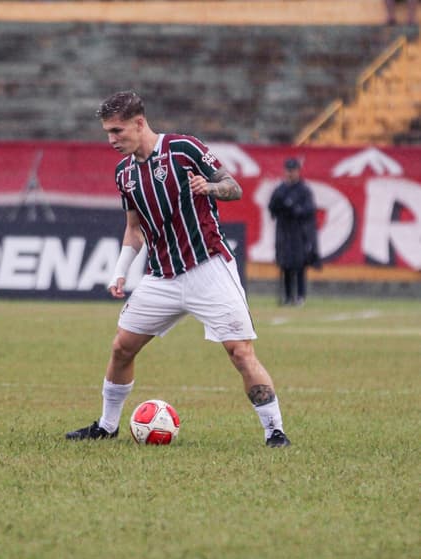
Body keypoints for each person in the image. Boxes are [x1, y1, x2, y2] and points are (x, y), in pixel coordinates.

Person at [65, 91, 291, 448]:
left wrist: (211, 187)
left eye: (117, 131)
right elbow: (134, 229)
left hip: (208, 268)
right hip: (161, 278)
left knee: (240, 352)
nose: (111, 140)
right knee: (122, 347)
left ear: (140, 123)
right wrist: (120, 270)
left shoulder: (183, 148)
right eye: (107, 132)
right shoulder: (124, 174)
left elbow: (234, 188)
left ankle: (274, 431)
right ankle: (107, 426)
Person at [268, 158, 320, 307]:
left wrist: (295, 209)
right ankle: (288, 296)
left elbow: (309, 210)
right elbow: (272, 208)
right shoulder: (280, 190)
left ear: (298, 171)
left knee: (299, 264)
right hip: (283, 231)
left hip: (299, 232)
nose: (290, 174)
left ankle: (300, 296)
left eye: (293, 170)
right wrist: (279, 205)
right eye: (288, 170)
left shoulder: (304, 190)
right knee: (285, 264)